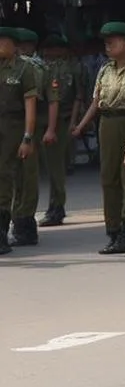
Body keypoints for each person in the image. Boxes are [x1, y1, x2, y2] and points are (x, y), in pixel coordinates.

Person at [72, 22, 125, 255]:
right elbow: (96, 102)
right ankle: (112, 231)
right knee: (108, 178)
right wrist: (81, 127)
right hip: (107, 123)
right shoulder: (105, 70)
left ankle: (124, 230)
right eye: (106, 41)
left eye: (113, 41)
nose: (107, 45)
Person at [38, 34, 86, 227]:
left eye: (54, 49)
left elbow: (78, 96)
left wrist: (75, 122)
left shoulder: (75, 67)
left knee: (57, 167)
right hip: (48, 120)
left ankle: (57, 207)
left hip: (64, 120)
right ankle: (55, 205)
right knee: (51, 167)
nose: (50, 53)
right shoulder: (42, 67)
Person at [0, 26, 39, 256]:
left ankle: (2, 233)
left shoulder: (25, 69)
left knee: (4, 177)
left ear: (14, 45)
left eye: (3, 41)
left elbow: (30, 105)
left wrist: (27, 137)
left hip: (13, 128)